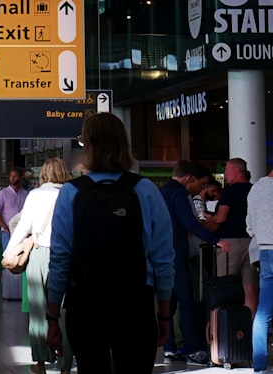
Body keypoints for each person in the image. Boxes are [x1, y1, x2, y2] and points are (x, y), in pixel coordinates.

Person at [46, 112, 174, 373]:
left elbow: (60, 259)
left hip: (85, 304)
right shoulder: (146, 190)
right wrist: (163, 314)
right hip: (135, 303)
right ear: (122, 143)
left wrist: (51, 318)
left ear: (89, 146)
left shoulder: (71, 192)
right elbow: (163, 260)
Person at [5, 158, 73, 374]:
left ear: (43, 173)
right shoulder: (71, 193)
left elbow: (23, 226)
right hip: (64, 256)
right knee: (63, 312)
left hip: (38, 255)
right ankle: (64, 364)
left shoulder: (34, 195)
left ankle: (41, 362)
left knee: (37, 311)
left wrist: (9, 253)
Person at [159, 160, 229, 365]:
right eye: (201, 183)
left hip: (162, 254)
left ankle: (169, 347)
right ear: (190, 178)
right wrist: (215, 240)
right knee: (187, 301)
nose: (202, 189)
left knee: (168, 304)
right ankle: (192, 349)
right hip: (177, 254)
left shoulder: (161, 192)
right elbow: (188, 222)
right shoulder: (180, 194)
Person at [210, 157, 259, 316]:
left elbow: (221, 218)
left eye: (227, 170)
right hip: (252, 242)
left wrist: (208, 219)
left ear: (237, 171)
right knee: (250, 289)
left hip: (230, 244)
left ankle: (226, 328)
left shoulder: (229, 192)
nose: (224, 174)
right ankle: (248, 328)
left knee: (224, 287)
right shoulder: (255, 189)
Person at [246, 165, 273, 373]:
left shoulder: (255, 189)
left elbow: (250, 227)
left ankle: (260, 364)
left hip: (264, 251)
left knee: (263, 312)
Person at [0, 167, 29, 254]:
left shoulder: (25, 194)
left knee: (21, 256)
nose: (12, 178)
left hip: (22, 230)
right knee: (8, 256)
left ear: (20, 178)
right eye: (11, 176)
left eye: (15, 176)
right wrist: (4, 227)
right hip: (7, 231)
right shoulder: (3, 193)